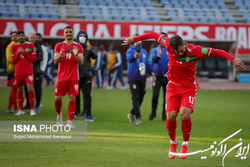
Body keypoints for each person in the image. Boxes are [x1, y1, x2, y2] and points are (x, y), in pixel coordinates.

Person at [122, 32, 246, 159]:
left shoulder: (196, 50)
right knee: (170, 115)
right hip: (173, 85)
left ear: (184, 44)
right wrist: (134, 39)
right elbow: (153, 34)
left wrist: (233, 59)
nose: (180, 53)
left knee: (184, 113)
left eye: (181, 51)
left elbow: (216, 51)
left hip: (188, 88)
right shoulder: (168, 44)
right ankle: (173, 142)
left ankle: (185, 143)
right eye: (177, 51)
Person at [54, 26, 84, 128]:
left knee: (72, 98)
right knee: (58, 99)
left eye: (70, 32)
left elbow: (81, 61)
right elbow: (55, 61)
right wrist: (60, 55)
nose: (68, 34)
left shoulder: (78, 46)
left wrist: (76, 54)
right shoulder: (59, 45)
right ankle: (59, 114)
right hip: (61, 77)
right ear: (64, 34)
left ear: (73, 33)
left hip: (73, 78)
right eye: (66, 32)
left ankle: (69, 121)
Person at [126, 34, 156, 125]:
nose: (137, 41)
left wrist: (152, 73)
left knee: (141, 97)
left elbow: (148, 63)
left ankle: (131, 113)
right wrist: (135, 56)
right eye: (135, 39)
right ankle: (138, 118)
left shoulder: (144, 52)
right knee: (135, 97)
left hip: (142, 78)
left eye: (139, 39)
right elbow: (129, 59)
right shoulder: (130, 50)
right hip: (133, 78)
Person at [11, 31, 37, 116]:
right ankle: (21, 110)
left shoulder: (31, 45)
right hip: (18, 72)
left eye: (22, 36)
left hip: (28, 71)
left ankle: (32, 109)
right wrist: (18, 53)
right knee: (19, 90)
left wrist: (24, 53)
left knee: (30, 89)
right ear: (17, 38)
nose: (21, 37)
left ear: (24, 36)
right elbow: (13, 61)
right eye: (19, 36)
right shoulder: (14, 47)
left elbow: (34, 59)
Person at [75, 30, 97, 121]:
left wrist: (90, 51)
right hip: (76, 74)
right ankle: (76, 112)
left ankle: (88, 114)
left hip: (87, 74)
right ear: (78, 37)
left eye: (84, 36)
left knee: (87, 95)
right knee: (75, 94)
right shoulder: (74, 47)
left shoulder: (89, 47)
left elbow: (95, 57)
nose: (82, 38)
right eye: (81, 36)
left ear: (86, 38)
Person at [148, 33, 169, 121]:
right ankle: (153, 113)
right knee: (155, 95)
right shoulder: (155, 50)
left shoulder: (170, 50)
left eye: (165, 38)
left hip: (167, 77)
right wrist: (158, 55)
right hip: (157, 77)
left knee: (166, 97)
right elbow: (153, 60)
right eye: (162, 38)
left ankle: (164, 115)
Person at [24, 33, 43, 111]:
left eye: (33, 38)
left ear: (36, 39)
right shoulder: (25, 47)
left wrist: (31, 59)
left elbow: (40, 58)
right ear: (28, 39)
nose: (32, 39)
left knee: (37, 89)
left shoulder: (39, 47)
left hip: (36, 71)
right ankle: (28, 104)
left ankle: (37, 104)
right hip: (27, 71)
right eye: (31, 38)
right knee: (27, 88)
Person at [6, 31, 18, 114]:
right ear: (11, 38)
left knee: (14, 90)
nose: (15, 37)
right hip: (13, 71)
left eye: (16, 36)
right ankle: (15, 108)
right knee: (14, 90)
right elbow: (9, 59)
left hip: (17, 71)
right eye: (14, 36)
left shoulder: (17, 46)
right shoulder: (10, 46)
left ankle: (9, 108)